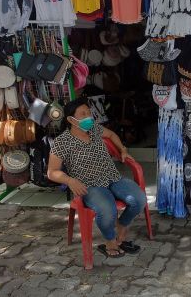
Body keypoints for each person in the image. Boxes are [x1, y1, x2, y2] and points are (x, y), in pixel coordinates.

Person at [47, 98, 147, 258]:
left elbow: (112, 134)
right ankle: (109, 241)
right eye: (83, 114)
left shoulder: (94, 129)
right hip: (90, 186)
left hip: (112, 177)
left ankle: (121, 225)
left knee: (139, 199)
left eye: (89, 113)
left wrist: (123, 149)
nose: (89, 117)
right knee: (108, 211)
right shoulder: (62, 142)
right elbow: (52, 172)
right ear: (70, 120)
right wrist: (70, 180)